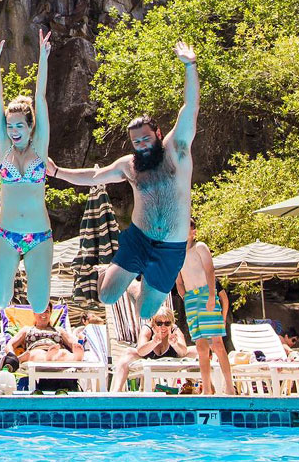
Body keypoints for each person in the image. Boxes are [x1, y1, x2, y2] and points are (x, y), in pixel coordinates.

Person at [45, 41, 199, 323]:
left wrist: (190, 65)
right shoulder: (130, 165)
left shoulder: (176, 150)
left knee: (146, 312)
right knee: (105, 296)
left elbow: (190, 107)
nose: (142, 145)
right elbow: (95, 176)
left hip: (171, 248)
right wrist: (56, 172)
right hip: (139, 239)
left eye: (146, 139)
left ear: (158, 134)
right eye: (136, 142)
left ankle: (138, 284)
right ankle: (117, 274)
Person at [0, 30, 54, 313]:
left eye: (19, 126)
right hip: (6, 233)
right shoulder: (4, 147)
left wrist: (43, 57)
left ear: (29, 127)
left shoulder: (40, 145)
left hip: (39, 235)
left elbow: (41, 98)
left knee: (39, 305)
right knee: (0, 302)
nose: (13, 131)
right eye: (10, 126)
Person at [176, 217, 233, 395]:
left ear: (194, 231)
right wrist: (185, 296)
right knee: (201, 347)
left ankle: (229, 387)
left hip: (205, 293)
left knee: (217, 344)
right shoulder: (177, 253)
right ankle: (207, 388)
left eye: (188, 227)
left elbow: (210, 270)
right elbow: (178, 280)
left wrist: (211, 295)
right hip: (191, 298)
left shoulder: (200, 247)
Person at [109, 305, 190, 392]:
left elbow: (183, 352)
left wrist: (175, 344)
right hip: (147, 355)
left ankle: (195, 385)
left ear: (171, 323)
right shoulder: (147, 329)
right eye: (159, 323)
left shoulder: (175, 330)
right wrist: (153, 342)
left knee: (195, 350)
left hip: (171, 356)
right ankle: (117, 390)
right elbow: (140, 351)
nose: (163, 327)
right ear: (153, 323)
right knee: (128, 352)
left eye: (167, 323)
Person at [7, 309, 85, 364]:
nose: (44, 314)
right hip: (37, 350)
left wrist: (77, 345)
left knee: (63, 353)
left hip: (56, 351)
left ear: (50, 314)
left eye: (47, 311)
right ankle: (49, 358)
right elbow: (10, 345)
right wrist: (12, 356)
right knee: (37, 354)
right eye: (40, 311)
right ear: (34, 313)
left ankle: (76, 358)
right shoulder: (27, 329)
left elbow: (73, 343)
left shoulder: (59, 330)